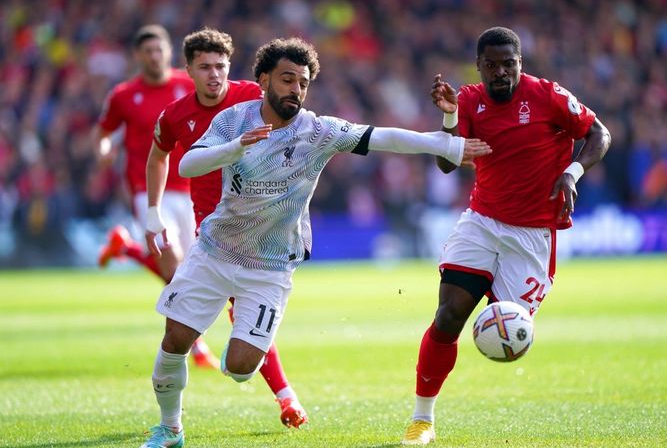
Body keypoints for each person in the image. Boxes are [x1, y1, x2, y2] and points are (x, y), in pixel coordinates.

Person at [138, 37, 491, 448]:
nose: (296, 90)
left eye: (303, 83)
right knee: (174, 341)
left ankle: (244, 354)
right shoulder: (234, 120)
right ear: (265, 79)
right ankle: (170, 429)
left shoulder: (319, 131)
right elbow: (186, 163)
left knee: (239, 369)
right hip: (214, 251)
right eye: (288, 80)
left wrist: (445, 142)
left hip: (269, 267)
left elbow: (385, 138)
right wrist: (235, 147)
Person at [400, 26, 612, 445]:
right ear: (478, 67)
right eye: (492, 65)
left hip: (534, 235)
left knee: (510, 330)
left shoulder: (548, 96)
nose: (501, 73)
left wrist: (573, 172)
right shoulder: (467, 101)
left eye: (509, 64)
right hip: (482, 222)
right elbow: (446, 165)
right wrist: (448, 117)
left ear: (520, 64)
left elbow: (599, 134)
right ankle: (422, 419)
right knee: (448, 317)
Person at [144, 27, 307, 429]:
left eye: (220, 66)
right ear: (188, 70)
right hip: (211, 229)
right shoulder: (176, 115)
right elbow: (158, 157)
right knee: (184, 332)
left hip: (259, 229)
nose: (214, 75)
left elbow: (299, 135)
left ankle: (283, 394)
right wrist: (152, 209)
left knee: (243, 322)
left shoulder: (255, 96)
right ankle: (280, 397)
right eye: (204, 67)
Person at [93, 24, 218, 369]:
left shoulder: (187, 83)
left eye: (159, 50)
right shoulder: (123, 94)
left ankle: (127, 249)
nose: (154, 56)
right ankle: (195, 344)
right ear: (139, 56)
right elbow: (104, 132)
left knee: (190, 269)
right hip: (150, 190)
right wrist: (104, 150)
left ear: (168, 52)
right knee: (173, 263)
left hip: (194, 187)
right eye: (147, 51)